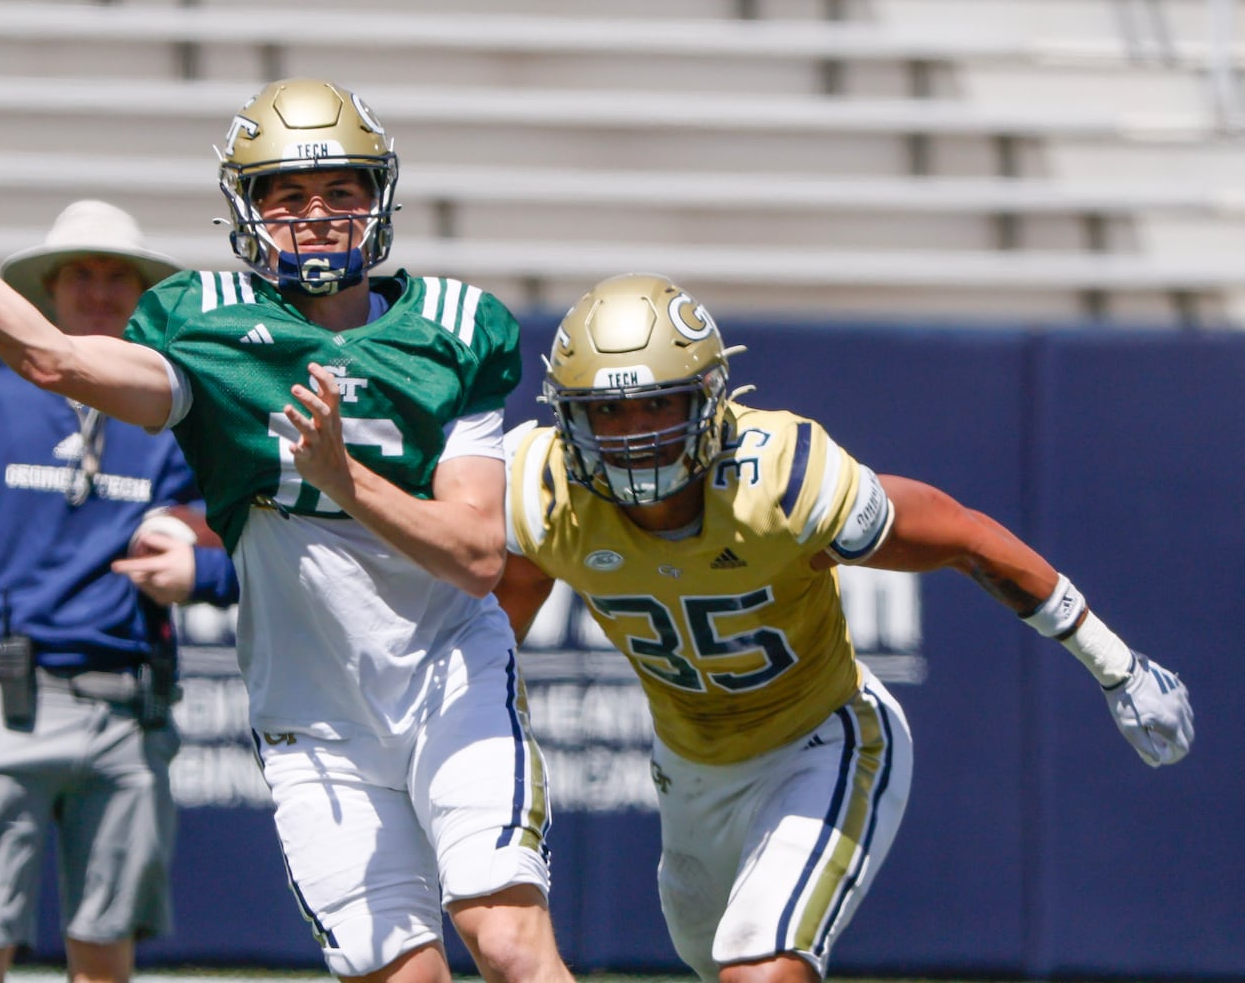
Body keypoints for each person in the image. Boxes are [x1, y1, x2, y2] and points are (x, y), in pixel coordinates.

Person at [0, 77, 575, 983]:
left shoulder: (457, 328)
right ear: (246, 209)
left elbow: (474, 555)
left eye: (342, 190)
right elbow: (49, 356)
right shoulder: (209, 331)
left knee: (504, 939)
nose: (318, 215)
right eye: (288, 194)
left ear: (378, 199)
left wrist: (342, 480)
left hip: (450, 677)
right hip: (314, 720)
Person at [495, 272, 1195, 983]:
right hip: (690, 767)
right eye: (608, 412)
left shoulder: (782, 481)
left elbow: (963, 537)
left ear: (707, 399)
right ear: (568, 415)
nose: (635, 435)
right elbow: (503, 617)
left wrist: (1116, 664)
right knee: (710, 961)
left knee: (759, 968)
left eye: (656, 405)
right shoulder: (542, 492)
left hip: (824, 740)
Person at [0, 200, 238, 983]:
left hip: (131, 708)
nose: (97, 292)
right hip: (7, 696)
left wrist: (201, 575)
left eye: (116, 276)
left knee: (104, 952)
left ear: (140, 293)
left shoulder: (180, 414)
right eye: (80, 275)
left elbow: (255, 549)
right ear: (50, 290)